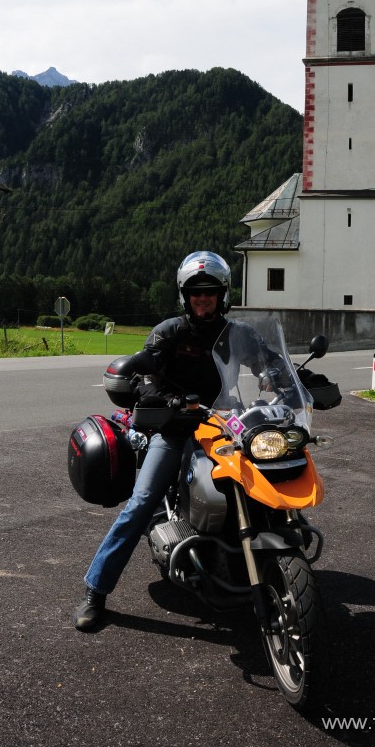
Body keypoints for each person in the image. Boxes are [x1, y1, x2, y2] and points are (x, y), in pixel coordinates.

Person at [73, 250, 237, 631]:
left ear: (222, 293)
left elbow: (268, 361)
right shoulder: (169, 332)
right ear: (184, 294)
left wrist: (290, 376)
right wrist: (161, 398)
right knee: (142, 502)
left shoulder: (235, 334)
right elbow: (143, 372)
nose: (203, 297)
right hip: (176, 429)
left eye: (210, 290)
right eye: (196, 291)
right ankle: (95, 591)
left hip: (224, 429)